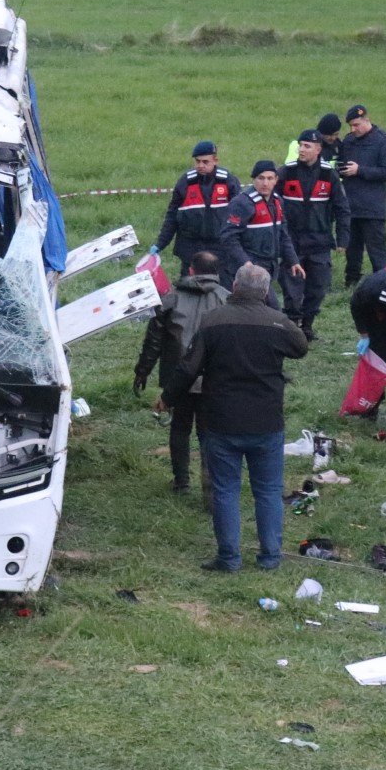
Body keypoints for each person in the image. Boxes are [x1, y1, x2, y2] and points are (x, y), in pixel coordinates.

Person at [161, 264, 310, 572]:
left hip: (222, 419)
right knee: (268, 490)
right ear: (266, 292)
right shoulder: (276, 321)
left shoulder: (213, 321)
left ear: (234, 285)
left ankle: (229, 557)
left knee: (226, 490)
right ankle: (270, 556)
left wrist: (167, 398)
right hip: (266, 420)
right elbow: (301, 347)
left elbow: (189, 368)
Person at [134, 251, 229, 496]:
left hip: (179, 379)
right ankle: (210, 487)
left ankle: (181, 482)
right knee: (208, 433)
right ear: (216, 273)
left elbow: (153, 341)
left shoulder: (170, 299)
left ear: (190, 270)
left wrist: (142, 371)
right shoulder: (227, 300)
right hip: (214, 380)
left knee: (180, 428)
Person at [277, 130, 349, 340]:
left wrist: (343, 239)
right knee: (292, 287)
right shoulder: (286, 172)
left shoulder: (329, 174)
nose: (301, 149)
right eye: (300, 145)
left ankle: (307, 325)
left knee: (318, 286)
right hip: (292, 242)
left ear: (318, 150)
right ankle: (291, 326)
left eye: (307, 146)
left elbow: (342, 208)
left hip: (319, 241)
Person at [219, 159, 305, 305]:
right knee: (271, 308)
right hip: (248, 269)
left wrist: (293, 260)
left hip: (269, 266)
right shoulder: (241, 203)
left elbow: (283, 235)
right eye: (261, 178)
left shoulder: (277, 202)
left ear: (276, 180)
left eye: (270, 178)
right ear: (254, 179)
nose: (265, 183)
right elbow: (228, 237)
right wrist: (246, 263)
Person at [149, 141, 240, 277]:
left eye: (205, 162)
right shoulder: (185, 182)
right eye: (197, 161)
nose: (200, 166)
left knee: (223, 293)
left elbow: (240, 215)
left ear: (215, 160)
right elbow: (172, 216)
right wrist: (160, 244)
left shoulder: (228, 181)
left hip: (220, 249)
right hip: (191, 248)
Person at [338, 104, 386, 288]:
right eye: (351, 126)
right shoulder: (348, 141)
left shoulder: (383, 141)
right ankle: (351, 282)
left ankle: (382, 284)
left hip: (372, 208)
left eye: (356, 125)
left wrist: (360, 170)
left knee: (376, 250)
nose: (353, 129)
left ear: (366, 120)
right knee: (352, 250)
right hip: (351, 206)